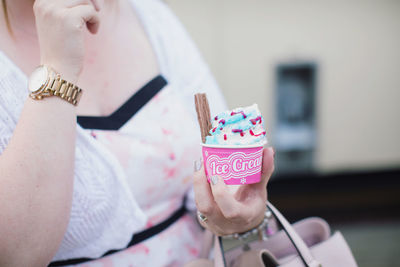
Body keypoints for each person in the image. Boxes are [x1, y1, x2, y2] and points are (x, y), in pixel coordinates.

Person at [0, 0, 275, 266]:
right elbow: (18, 257)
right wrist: (57, 70)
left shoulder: (151, 16)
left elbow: (223, 181)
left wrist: (236, 218)